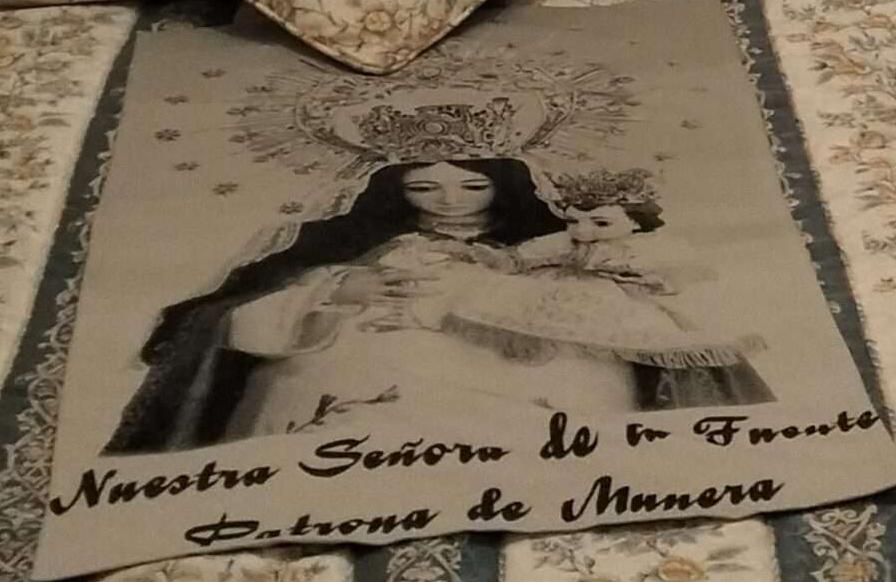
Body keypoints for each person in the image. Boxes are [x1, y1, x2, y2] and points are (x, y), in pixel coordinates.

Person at [106, 157, 770, 452]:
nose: (450, 202)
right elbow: (229, 321)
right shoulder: (361, 246)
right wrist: (333, 291)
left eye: (471, 185)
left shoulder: (559, 244)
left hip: (530, 362)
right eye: (425, 187)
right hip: (368, 355)